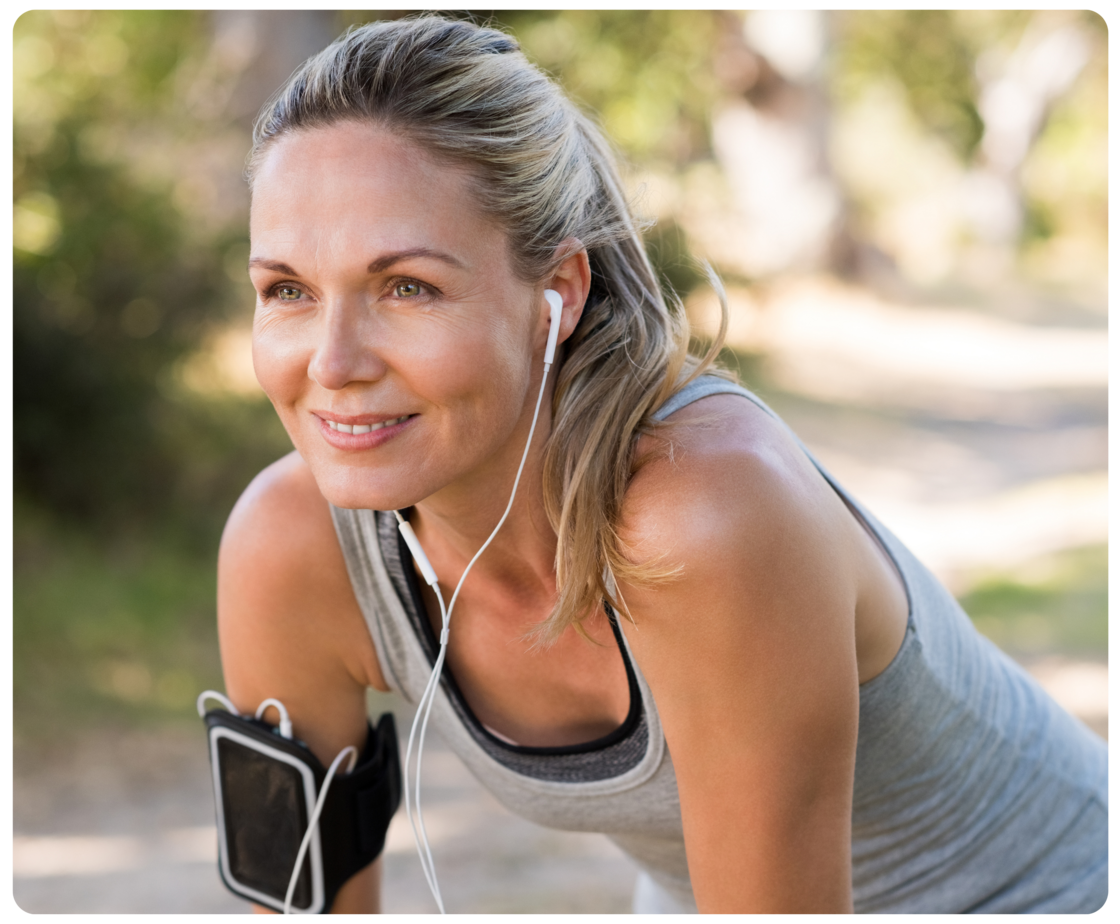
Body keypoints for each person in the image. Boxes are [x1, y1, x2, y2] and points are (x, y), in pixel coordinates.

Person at [218, 16, 1108, 916]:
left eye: (408, 287)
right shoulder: (290, 548)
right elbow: (296, 905)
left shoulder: (704, 515)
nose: (333, 362)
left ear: (558, 293)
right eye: (287, 290)